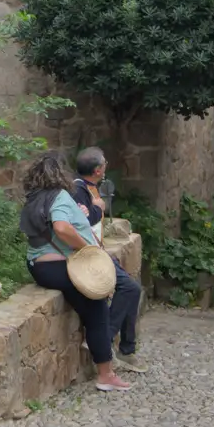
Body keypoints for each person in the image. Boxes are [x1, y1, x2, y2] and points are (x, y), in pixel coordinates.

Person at [20, 153, 133, 392]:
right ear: (61, 173)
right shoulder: (60, 196)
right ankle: (105, 374)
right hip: (60, 266)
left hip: (38, 266)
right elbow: (61, 227)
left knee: (90, 307)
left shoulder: (34, 198)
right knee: (97, 306)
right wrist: (86, 247)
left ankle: (102, 359)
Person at [73, 147, 144, 371]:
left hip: (97, 251)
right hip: (87, 254)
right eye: (103, 163)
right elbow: (80, 221)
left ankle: (127, 350)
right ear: (97, 170)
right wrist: (98, 208)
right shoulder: (78, 191)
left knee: (131, 291)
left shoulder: (89, 189)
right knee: (130, 289)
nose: (106, 167)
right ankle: (105, 339)